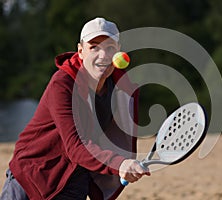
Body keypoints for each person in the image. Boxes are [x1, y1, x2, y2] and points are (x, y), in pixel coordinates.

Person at [0, 17, 150, 200]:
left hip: (74, 180)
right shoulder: (63, 84)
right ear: (80, 51)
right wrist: (120, 164)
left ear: (118, 52)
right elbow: (76, 145)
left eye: (110, 48)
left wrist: (121, 166)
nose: (103, 55)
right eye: (94, 47)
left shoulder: (122, 88)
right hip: (32, 175)